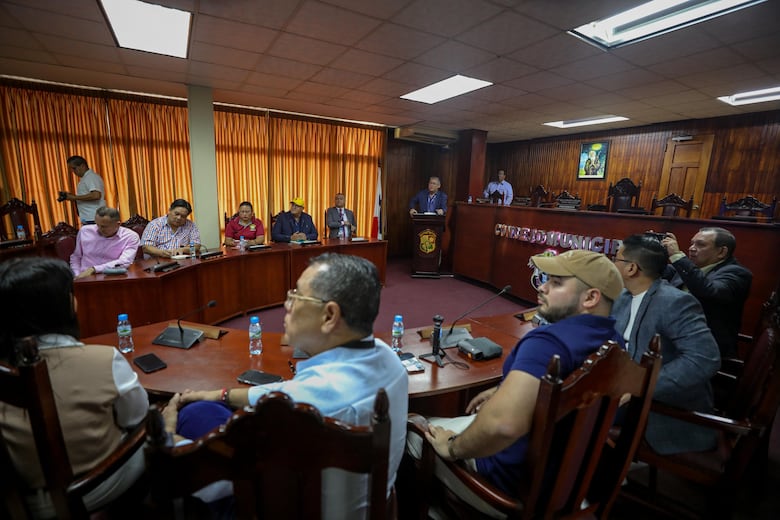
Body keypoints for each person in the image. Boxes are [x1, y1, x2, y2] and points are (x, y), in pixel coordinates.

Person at [161, 253, 408, 517]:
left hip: (297, 507)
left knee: (193, 415)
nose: (286, 304)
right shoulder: (388, 359)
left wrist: (167, 431)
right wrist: (221, 394)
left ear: (329, 315)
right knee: (207, 406)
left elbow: (212, 482)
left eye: (296, 296)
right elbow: (282, 392)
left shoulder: (300, 415)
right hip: (370, 504)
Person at [406, 249, 624, 513]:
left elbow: (503, 426)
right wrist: (504, 389)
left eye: (556, 283)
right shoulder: (614, 342)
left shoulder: (547, 343)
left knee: (414, 429)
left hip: (506, 488)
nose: (542, 287)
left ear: (591, 297)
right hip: (567, 483)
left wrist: (452, 447)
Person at [0, 257, 148, 518]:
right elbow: (136, 416)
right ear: (66, 305)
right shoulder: (103, 360)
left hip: (22, 497)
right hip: (87, 488)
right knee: (155, 430)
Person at [612, 234, 721, 454]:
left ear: (631, 268)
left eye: (616, 259)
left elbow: (704, 359)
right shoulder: (624, 295)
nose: (612, 263)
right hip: (621, 386)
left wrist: (641, 385)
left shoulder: (675, 302)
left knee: (575, 412)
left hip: (660, 403)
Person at [660, 226, 753, 358]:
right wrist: (657, 254)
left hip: (703, 349)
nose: (691, 248)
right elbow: (656, 271)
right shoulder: (690, 267)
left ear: (721, 252)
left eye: (700, 245)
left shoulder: (737, 274)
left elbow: (709, 292)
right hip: (673, 335)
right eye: (692, 243)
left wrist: (677, 255)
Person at [69, 206, 140, 279]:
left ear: (118, 224)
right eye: (97, 224)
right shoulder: (85, 231)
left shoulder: (130, 237)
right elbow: (76, 257)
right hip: (84, 277)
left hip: (113, 277)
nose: (99, 229)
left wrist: (94, 269)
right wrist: (76, 275)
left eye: (104, 226)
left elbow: (124, 262)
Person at [60, 155, 106, 224]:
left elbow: (96, 195)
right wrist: (72, 196)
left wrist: (74, 197)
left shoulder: (91, 177)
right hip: (90, 218)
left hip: (94, 218)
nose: (73, 171)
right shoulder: (85, 178)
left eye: (74, 168)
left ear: (82, 166)